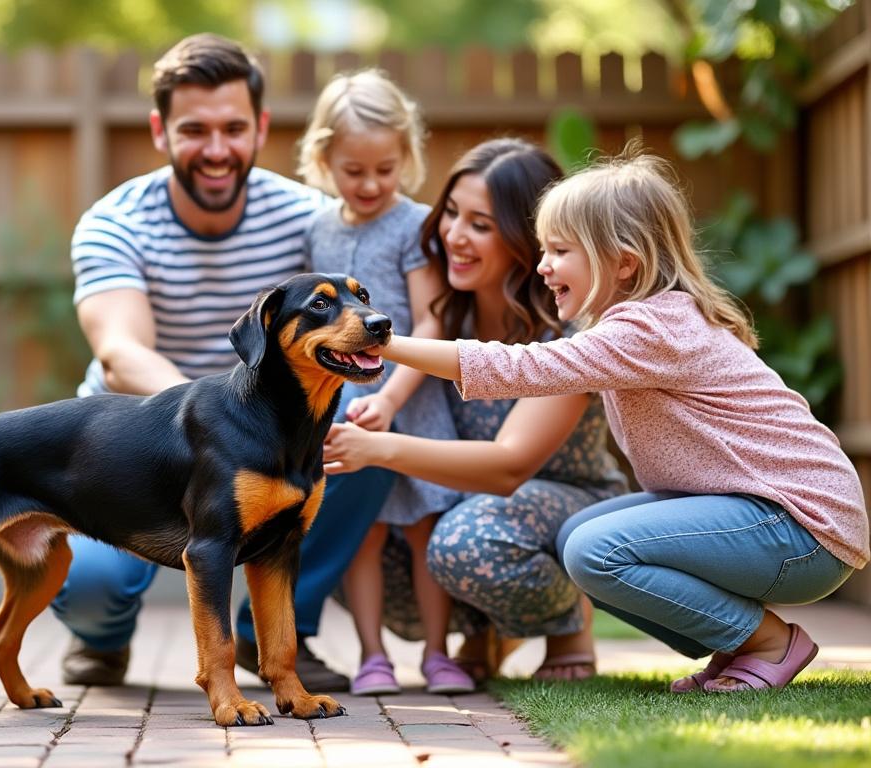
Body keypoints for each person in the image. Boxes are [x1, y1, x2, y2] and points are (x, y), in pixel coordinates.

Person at [362, 148, 868, 693]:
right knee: (577, 536)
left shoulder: (648, 329)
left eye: (559, 251)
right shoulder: (641, 322)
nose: (543, 267)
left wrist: (382, 341)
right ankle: (739, 646)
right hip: (769, 517)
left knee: (593, 549)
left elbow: (519, 366)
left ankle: (767, 642)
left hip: (800, 528)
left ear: (623, 263)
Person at [55, 33, 356, 689]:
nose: (216, 150)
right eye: (195, 130)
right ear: (161, 131)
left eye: (233, 128)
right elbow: (120, 353)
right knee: (91, 581)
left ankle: (277, 636)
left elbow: (352, 327)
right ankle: (101, 639)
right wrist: (217, 428)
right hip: (139, 440)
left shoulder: (309, 218)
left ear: (260, 129)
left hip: (277, 436)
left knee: (357, 419)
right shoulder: (115, 221)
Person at [322, 138, 629, 684]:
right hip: (471, 504)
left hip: (568, 504)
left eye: (481, 225)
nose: (454, 236)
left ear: (527, 240)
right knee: (349, 534)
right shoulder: (444, 316)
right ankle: (483, 632)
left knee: (464, 543)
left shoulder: (570, 333)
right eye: (452, 215)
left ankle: (569, 624)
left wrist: (378, 449)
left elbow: (509, 467)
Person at [291, 69, 469, 695]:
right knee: (361, 536)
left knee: (423, 530)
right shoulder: (318, 228)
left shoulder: (414, 225)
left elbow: (432, 316)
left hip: (410, 402)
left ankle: (439, 654)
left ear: (407, 158)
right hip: (347, 405)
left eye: (384, 170)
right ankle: (373, 656)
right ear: (323, 158)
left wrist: (392, 396)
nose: (369, 185)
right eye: (353, 171)